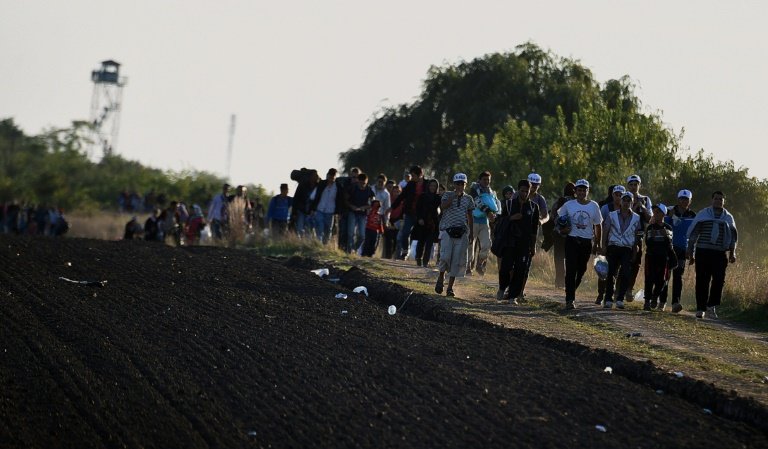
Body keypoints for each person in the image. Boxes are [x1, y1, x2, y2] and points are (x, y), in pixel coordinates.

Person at [686, 191, 738, 319]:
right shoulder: (703, 214)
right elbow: (694, 233)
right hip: (703, 251)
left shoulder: (728, 217)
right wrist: (690, 251)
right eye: (716, 198)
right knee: (702, 280)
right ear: (712, 200)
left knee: (719, 280)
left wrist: (732, 252)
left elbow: (733, 237)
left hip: (720, 253)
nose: (718, 201)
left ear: (724, 202)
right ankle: (700, 308)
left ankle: (711, 305)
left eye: (721, 199)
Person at [557, 179, 602, 310]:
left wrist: (597, 243)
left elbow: (598, 225)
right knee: (570, 270)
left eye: (584, 190)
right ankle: (570, 299)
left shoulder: (593, 206)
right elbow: (559, 219)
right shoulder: (569, 205)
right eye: (579, 190)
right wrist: (562, 229)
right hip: (572, 240)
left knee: (581, 270)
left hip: (586, 241)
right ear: (575, 191)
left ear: (588, 191)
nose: (582, 192)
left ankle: (571, 289)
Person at [496, 179, 540, 304]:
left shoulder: (533, 207)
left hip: (524, 244)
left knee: (521, 270)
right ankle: (502, 287)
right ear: (518, 190)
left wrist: (533, 246)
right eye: (522, 191)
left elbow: (534, 229)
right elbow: (501, 221)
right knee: (505, 268)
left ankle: (512, 296)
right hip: (510, 242)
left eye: (527, 191)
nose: (524, 193)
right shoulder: (509, 204)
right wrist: (511, 218)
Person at [435, 173, 475, 297]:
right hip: (448, 230)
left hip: (462, 231)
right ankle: (441, 278)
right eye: (457, 184)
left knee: (456, 260)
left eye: (462, 184)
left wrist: (471, 232)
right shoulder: (447, 195)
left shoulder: (468, 199)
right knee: (445, 257)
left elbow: (470, 216)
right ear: (454, 184)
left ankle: (450, 288)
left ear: (465, 185)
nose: (459, 186)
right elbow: (442, 207)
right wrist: (453, 197)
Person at [600, 191, 642, 309]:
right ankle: (608, 298)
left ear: (632, 202)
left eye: (629, 200)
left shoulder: (636, 218)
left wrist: (635, 250)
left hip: (627, 248)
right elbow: (606, 231)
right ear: (621, 201)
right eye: (624, 200)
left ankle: (620, 298)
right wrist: (603, 246)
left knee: (626, 273)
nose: (626, 202)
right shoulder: (612, 215)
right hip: (613, 246)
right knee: (611, 273)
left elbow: (636, 236)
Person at [660, 189, 697, 312]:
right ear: (678, 199)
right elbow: (663, 226)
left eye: (686, 199)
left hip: (682, 249)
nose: (684, 201)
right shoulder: (670, 211)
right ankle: (662, 301)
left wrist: (691, 252)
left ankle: (676, 302)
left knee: (678, 275)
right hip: (668, 248)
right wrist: (669, 217)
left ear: (690, 201)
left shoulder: (693, 216)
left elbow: (694, 236)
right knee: (666, 275)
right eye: (682, 198)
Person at [642, 203, 679, 311]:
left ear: (663, 214)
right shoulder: (650, 227)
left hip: (664, 258)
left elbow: (669, 244)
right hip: (651, 256)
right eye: (655, 212)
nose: (655, 214)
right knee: (649, 279)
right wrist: (653, 237)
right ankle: (647, 301)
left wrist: (664, 236)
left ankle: (655, 296)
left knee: (662, 280)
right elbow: (648, 243)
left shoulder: (668, 227)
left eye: (658, 212)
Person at [625, 174, 653, 301]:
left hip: (639, 234)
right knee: (623, 261)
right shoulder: (624, 197)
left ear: (639, 185)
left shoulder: (645, 199)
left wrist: (642, 208)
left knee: (636, 262)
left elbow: (650, 219)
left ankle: (629, 288)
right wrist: (634, 208)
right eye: (631, 185)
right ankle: (619, 287)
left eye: (635, 184)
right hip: (624, 233)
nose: (633, 187)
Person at [467, 171, 500, 276]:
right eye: (484, 180)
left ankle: (479, 263)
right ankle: (468, 268)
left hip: (484, 221)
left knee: (486, 244)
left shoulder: (491, 192)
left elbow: (496, 204)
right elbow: (476, 201)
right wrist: (488, 212)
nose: (486, 182)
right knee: (470, 245)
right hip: (473, 220)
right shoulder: (474, 190)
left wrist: (495, 215)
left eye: (488, 180)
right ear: (479, 180)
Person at [595, 185, 624, 304]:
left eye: (621, 195)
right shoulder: (606, 208)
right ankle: (601, 294)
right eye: (616, 194)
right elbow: (600, 226)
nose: (618, 197)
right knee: (603, 270)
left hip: (621, 245)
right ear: (612, 195)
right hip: (607, 243)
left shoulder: (627, 209)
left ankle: (612, 294)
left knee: (616, 271)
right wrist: (601, 244)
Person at [391, 165, 426, 260]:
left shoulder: (427, 184)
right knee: (405, 233)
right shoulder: (410, 184)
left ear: (420, 175)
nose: (412, 177)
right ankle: (405, 251)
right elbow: (402, 196)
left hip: (421, 215)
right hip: (410, 213)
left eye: (414, 175)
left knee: (421, 236)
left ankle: (420, 256)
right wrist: (393, 207)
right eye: (412, 175)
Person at [549, 182, 576, 289]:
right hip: (571, 234)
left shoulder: (559, 201)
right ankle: (568, 282)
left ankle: (559, 282)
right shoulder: (576, 202)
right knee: (570, 259)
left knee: (559, 259)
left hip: (559, 234)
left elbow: (552, 217)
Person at [411, 179, 441, 267]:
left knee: (429, 243)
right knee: (421, 242)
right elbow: (418, 208)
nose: (433, 187)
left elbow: (440, 209)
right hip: (422, 223)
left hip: (433, 224)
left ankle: (425, 261)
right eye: (431, 185)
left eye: (435, 186)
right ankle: (418, 258)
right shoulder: (423, 196)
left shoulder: (438, 197)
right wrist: (419, 218)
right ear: (428, 186)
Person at [345, 172, 375, 253]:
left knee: (362, 236)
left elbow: (373, 203)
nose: (362, 185)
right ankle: (349, 252)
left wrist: (364, 207)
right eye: (361, 183)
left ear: (367, 182)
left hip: (362, 214)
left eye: (364, 183)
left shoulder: (369, 190)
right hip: (352, 212)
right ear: (358, 181)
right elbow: (345, 200)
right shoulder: (353, 188)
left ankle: (354, 248)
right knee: (351, 234)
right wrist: (352, 206)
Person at [311, 168, 342, 244]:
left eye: (333, 177)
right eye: (330, 176)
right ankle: (319, 244)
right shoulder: (321, 184)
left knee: (328, 229)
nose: (331, 179)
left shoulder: (338, 187)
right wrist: (312, 208)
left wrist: (338, 212)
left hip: (330, 211)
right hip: (320, 209)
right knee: (320, 227)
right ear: (327, 176)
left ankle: (325, 245)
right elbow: (315, 197)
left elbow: (339, 200)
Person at [292, 170, 319, 237]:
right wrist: (294, 212)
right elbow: (296, 199)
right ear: (311, 176)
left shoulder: (318, 187)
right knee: (300, 229)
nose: (317, 177)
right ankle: (300, 243)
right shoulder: (302, 185)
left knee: (309, 230)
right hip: (302, 210)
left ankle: (307, 244)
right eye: (315, 175)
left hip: (311, 211)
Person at [383, 181, 402, 259]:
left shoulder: (402, 202)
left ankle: (393, 256)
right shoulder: (388, 199)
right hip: (389, 220)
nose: (396, 193)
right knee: (388, 240)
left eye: (398, 192)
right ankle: (387, 257)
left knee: (396, 240)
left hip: (398, 222)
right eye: (394, 191)